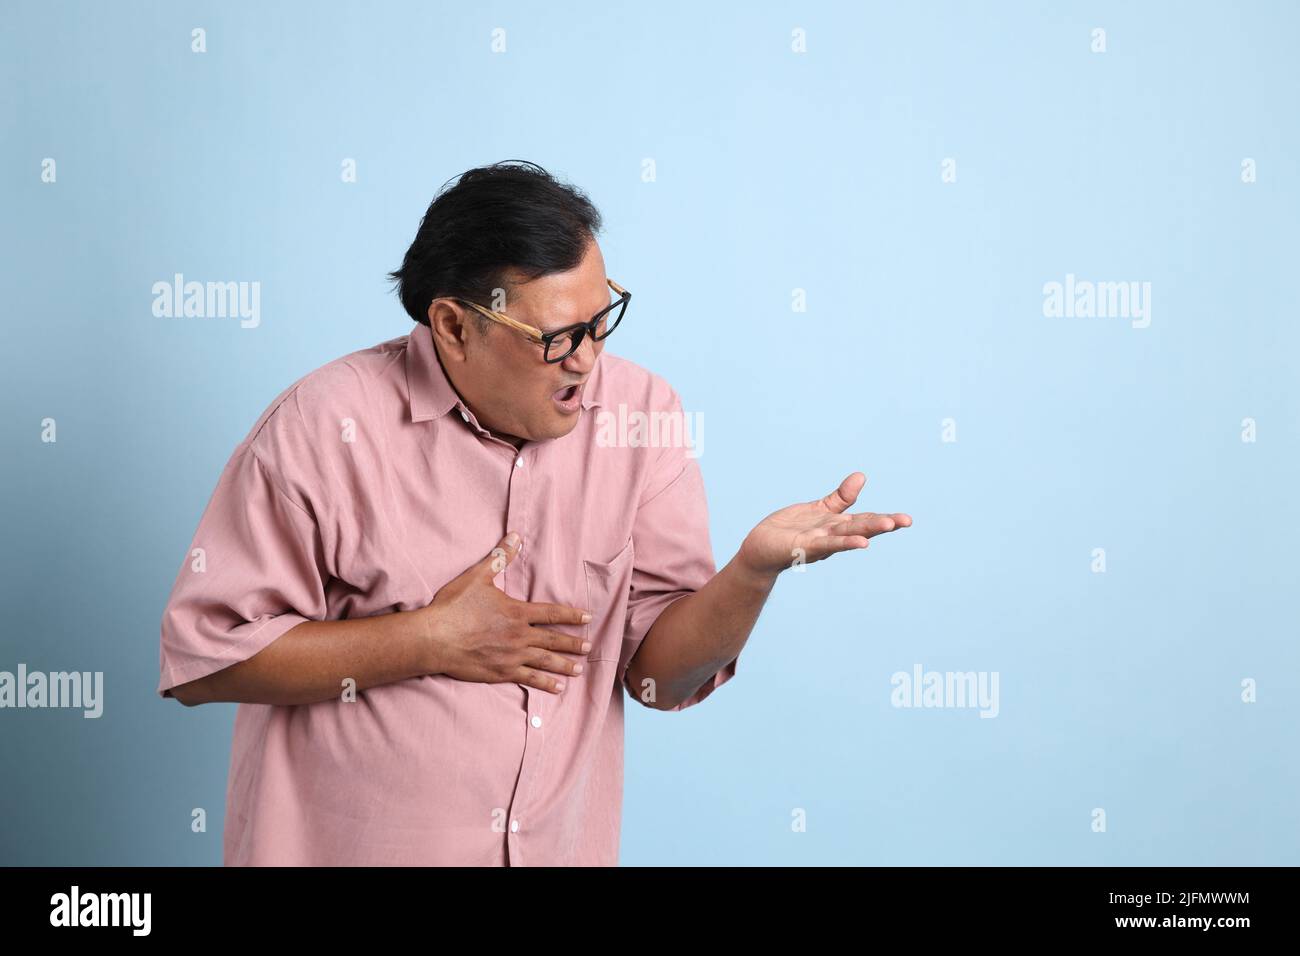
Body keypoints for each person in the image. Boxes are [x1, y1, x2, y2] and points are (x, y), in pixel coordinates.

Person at [156, 160, 911, 865]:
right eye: (558, 337)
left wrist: (749, 576)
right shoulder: (324, 426)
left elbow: (659, 683)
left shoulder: (641, 416)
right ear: (453, 326)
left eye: (601, 318)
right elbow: (204, 660)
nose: (588, 358)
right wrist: (428, 639)